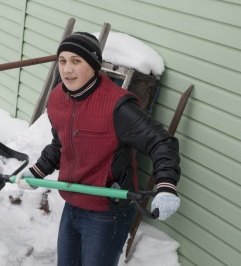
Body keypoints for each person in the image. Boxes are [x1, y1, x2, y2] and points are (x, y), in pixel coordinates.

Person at [16, 32, 181, 266]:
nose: (67, 69)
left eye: (76, 61)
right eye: (62, 61)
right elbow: (60, 143)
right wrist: (37, 171)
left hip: (107, 211)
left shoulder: (117, 106)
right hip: (73, 201)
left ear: (94, 66)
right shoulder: (57, 99)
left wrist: (166, 186)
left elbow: (161, 142)